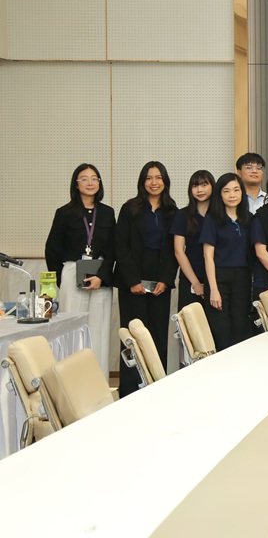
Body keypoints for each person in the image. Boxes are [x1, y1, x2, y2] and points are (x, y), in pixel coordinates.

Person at [44, 163, 116, 377]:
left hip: (100, 275)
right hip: (72, 273)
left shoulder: (107, 213)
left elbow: (114, 249)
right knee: (71, 329)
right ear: (76, 184)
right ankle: (70, 381)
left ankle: (98, 381)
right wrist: (64, 280)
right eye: (84, 179)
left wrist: (102, 276)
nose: (90, 183)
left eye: (94, 178)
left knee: (99, 330)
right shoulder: (64, 213)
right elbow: (52, 249)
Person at [114, 161, 178, 396]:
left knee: (158, 335)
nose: (154, 182)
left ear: (165, 181)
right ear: (142, 182)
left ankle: (156, 388)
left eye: (158, 177)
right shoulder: (129, 208)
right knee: (133, 335)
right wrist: (132, 280)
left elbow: (174, 249)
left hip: (160, 279)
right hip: (132, 278)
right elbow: (120, 246)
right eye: (149, 178)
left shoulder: (172, 211)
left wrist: (166, 279)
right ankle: (129, 390)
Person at [201, 172, 254, 349]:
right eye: (226, 191)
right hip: (219, 278)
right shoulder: (212, 219)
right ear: (220, 195)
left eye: (236, 190)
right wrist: (213, 289)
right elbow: (208, 256)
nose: (232, 195)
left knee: (240, 328)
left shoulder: (249, 219)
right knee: (221, 330)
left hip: (242, 278)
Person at [171, 170, 214, 313]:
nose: (200, 190)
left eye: (204, 185)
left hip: (216, 279)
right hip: (190, 278)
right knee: (190, 322)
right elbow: (179, 251)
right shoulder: (183, 215)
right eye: (195, 186)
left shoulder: (219, 215)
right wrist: (195, 283)